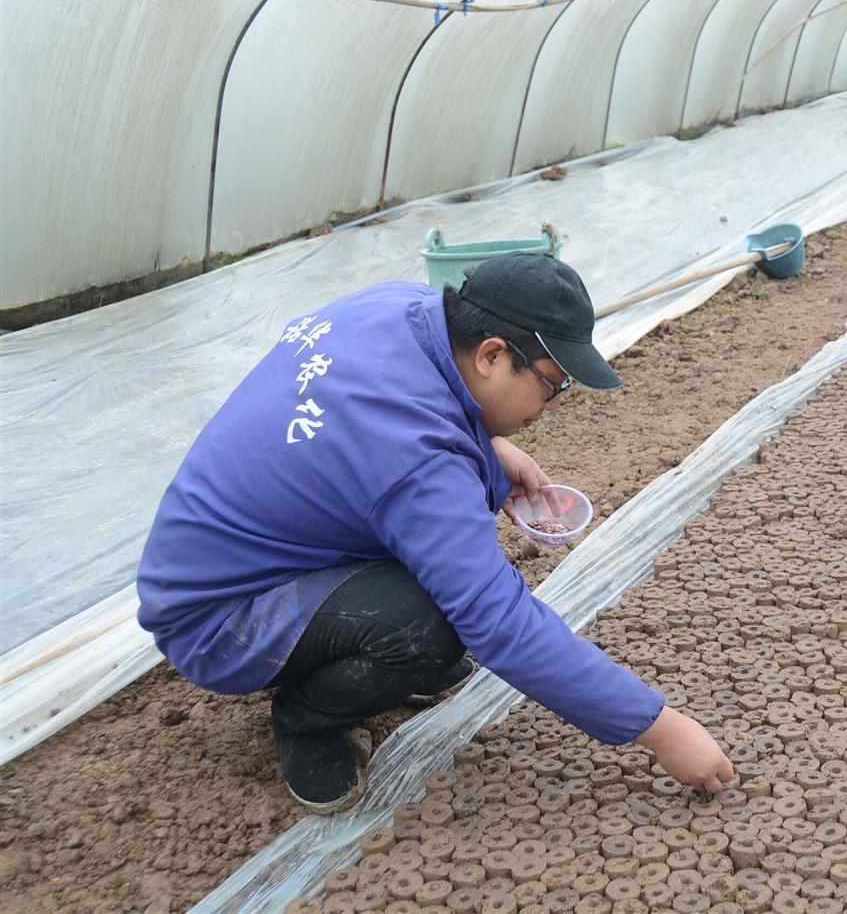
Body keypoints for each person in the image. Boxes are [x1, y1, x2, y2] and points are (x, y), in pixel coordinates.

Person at [136, 252, 734, 812]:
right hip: (217, 618)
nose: (554, 404)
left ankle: (357, 654)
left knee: (442, 583)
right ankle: (305, 718)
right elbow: (498, 623)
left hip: (225, 551)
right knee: (436, 630)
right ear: (492, 355)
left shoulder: (403, 308)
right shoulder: (415, 463)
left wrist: (492, 447)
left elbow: (391, 421)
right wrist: (661, 729)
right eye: (553, 384)